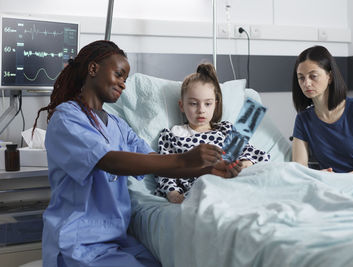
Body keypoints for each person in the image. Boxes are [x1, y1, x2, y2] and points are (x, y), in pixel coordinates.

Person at [32, 40, 241, 267]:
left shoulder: (117, 124)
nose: (123, 84)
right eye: (119, 75)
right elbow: (108, 160)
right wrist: (185, 157)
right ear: (93, 69)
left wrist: (209, 168)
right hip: (79, 242)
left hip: (117, 240)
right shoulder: (66, 118)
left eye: (125, 79)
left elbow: (152, 160)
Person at [154, 63, 270, 203]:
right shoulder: (173, 135)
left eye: (207, 104)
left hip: (235, 182)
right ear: (181, 106)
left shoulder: (225, 130)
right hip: (202, 187)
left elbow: (254, 154)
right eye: (193, 103)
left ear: (215, 105)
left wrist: (245, 164)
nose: (201, 110)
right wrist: (172, 193)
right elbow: (165, 170)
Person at [291, 45, 353, 177]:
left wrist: (342, 180)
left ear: (330, 77)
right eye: (301, 78)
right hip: (337, 188)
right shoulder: (303, 120)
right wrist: (319, 175)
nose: (306, 83)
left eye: (313, 76)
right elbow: (300, 170)